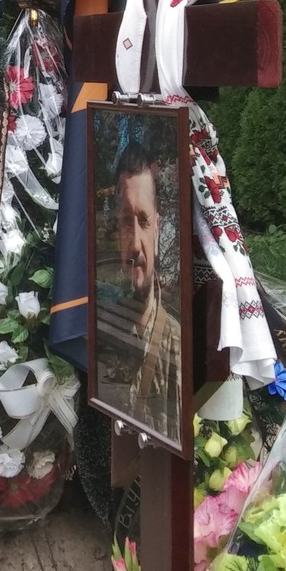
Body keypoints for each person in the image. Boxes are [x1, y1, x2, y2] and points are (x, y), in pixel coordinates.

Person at [112, 144, 181, 434]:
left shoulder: (176, 347)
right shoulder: (103, 329)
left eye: (143, 221)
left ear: (158, 228)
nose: (136, 243)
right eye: (127, 222)